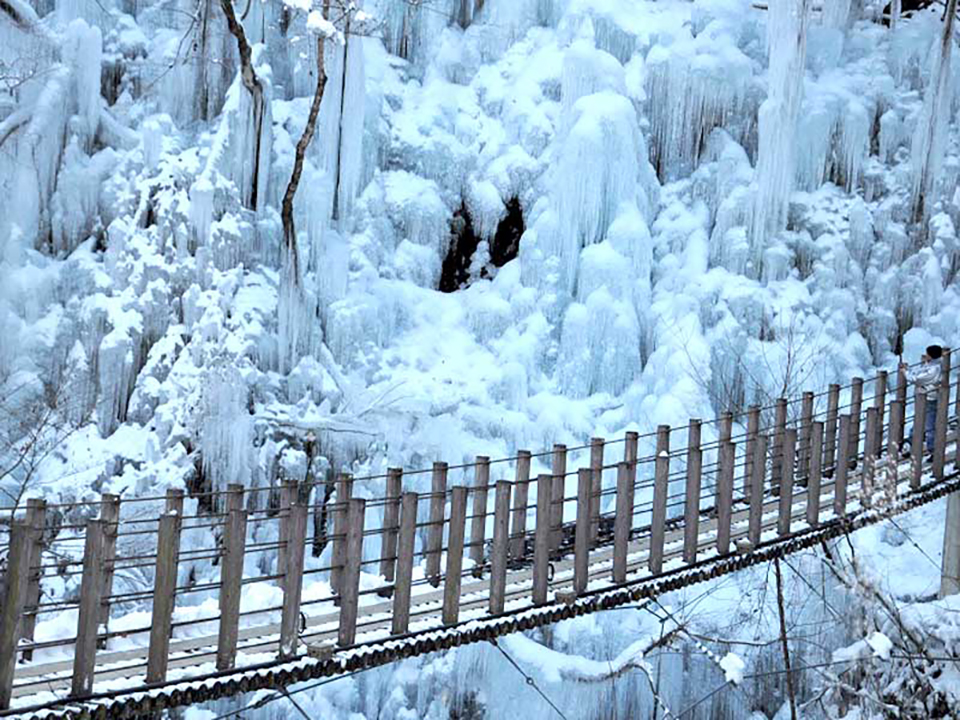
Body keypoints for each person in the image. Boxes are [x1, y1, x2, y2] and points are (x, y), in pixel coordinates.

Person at [900, 344, 943, 457]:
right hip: (923, 398)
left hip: (929, 398)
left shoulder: (935, 368)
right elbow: (919, 372)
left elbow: (916, 379)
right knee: (919, 421)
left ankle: (932, 450)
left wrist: (904, 372)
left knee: (929, 425)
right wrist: (908, 369)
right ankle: (911, 443)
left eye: (927, 353)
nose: (926, 355)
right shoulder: (932, 365)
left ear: (931, 355)